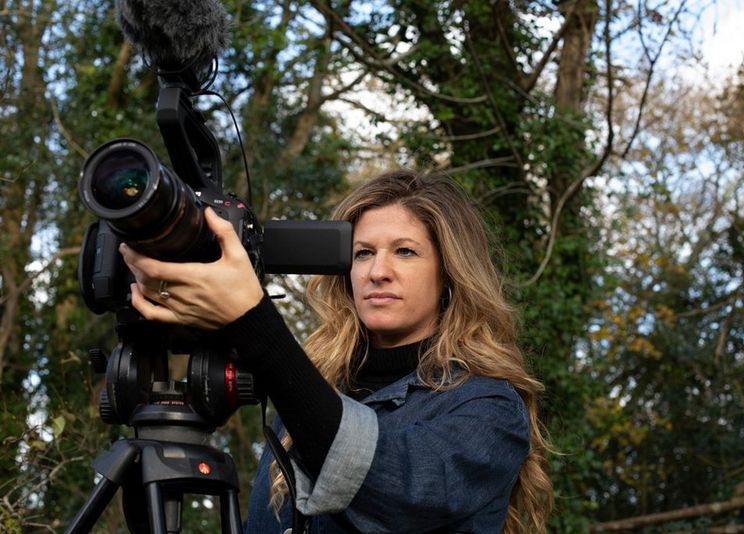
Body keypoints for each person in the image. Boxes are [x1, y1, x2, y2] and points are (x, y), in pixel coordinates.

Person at [119, 170, 553, 533]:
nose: (378, 272)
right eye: (363, 254)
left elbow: (395, 487)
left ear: (450, 274)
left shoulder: (487, 408)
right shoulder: (313, 396)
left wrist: (252, 320)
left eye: (405, 251)